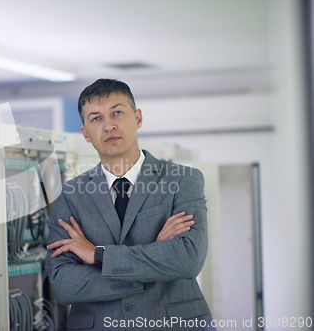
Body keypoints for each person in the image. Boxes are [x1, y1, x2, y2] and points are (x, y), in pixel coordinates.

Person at [46, 79, 215, 330]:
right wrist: (156, 258)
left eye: (117, 112)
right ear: (85, 133)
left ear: (137, 118)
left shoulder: (183, 180)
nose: (109, 125)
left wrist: (97, 255)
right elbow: (64, 285)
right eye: (96, 118)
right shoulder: (69, 195)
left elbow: (188, 259)